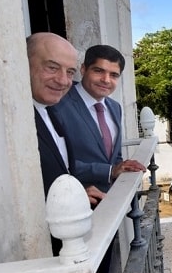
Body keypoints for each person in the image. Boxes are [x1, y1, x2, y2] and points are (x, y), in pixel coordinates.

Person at [54, 44, 145, 192]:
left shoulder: (115, 107)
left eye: (114, 75)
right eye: (98, 71)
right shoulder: (58, 104)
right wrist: (109, 171)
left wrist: (123, 167)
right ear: (83, 69)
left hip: (110, 199)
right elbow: (55, 161)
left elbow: (115, 156)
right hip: (75, 198)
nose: (106, 80)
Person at [27, 32, 104, 205]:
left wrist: (77, 193)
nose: (63, 81)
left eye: (70, 72)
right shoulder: (12, 121)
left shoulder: (51, 111)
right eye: (52, 68)